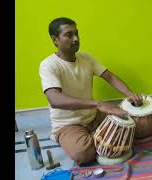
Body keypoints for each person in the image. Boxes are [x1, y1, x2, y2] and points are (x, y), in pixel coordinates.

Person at [39, 17, 143, 165]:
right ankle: (69, 138)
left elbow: (110, 77)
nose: (76, 39)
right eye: (69, 35)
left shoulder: (86, 58)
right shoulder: (49, 65)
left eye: (77, 34)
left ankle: (96, 136)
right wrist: (97, 104)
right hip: (68, 124)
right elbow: (55, 99)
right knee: (82, 154)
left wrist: (130, 94)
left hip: (93, 117)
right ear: (55, 40)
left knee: (133, 126)